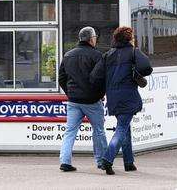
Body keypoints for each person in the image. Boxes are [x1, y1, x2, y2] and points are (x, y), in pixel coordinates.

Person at [90, 26, 152, 175]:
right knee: (122, 129)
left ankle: (129, 162)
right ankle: (108, 158)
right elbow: (147, 68)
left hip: (113, 97)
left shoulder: (108, 55)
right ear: (129, 39)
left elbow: (95, 77)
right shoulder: (133, 52)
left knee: (125, 127)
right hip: (128, 97)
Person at [58, 26, 108, 172]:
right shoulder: (97, 56)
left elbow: (62, 78)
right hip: (92, 101)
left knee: (70, 131)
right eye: (95, 38)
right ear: (91, 39)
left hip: (74, 101)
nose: (95, 40)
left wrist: (70, 93)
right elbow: (101, 78)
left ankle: (65, 161)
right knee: (98, 130)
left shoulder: (68, 55)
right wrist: (99, 94)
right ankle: (102, 161)